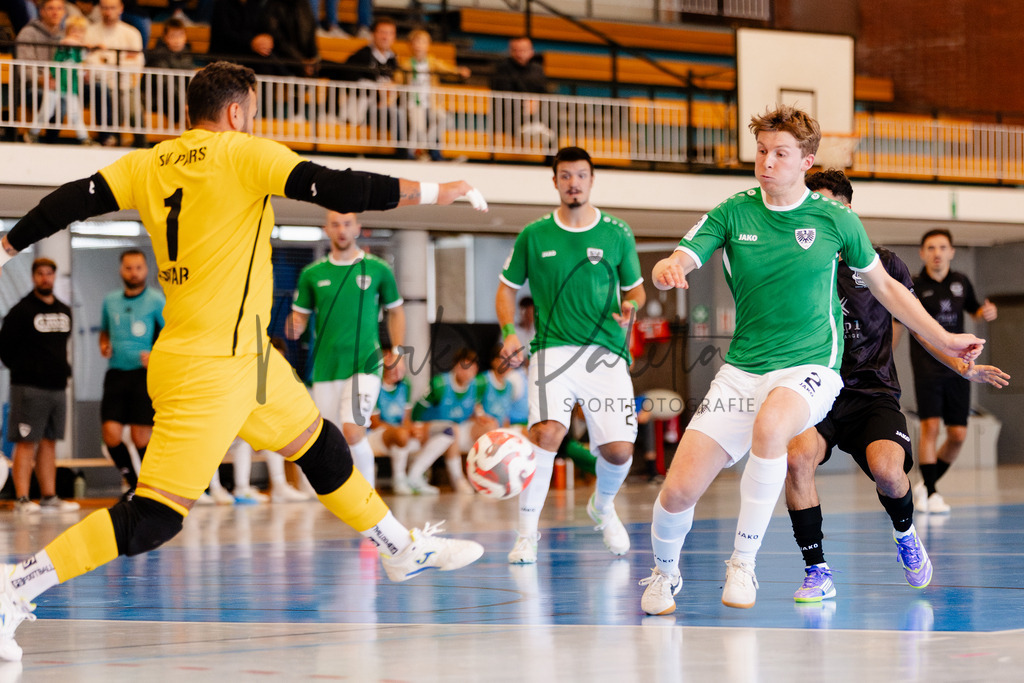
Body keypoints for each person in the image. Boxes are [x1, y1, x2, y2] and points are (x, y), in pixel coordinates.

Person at [0, 60, 488, 663]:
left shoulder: (148, 164)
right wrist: (441, 190)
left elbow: (71, 200)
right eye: (252, 111)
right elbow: (341, 188)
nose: (253, 121)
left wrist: (8, 244)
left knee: (321, 445)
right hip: (209, 369)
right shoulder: (242, 153)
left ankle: (399, 548)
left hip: (246, 359)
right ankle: (15, 587)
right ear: (236, 112)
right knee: (154, 517)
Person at [639, 105, 985, 616]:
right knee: (678, 491)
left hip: (811, 367)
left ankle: (744, 561)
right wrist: (670, 267)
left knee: (780, 432)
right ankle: (664, 573)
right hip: (742, 371)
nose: (767, 162)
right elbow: (684, 255)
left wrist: (945, 338)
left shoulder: (835, 219)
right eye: (761, 151)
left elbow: (889, 289)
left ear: (806, 160)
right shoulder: (733, 211)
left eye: (780, 153)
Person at [785, 170, 1010, 604]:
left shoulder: (883, 264)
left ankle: (906, 533)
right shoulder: (798, 264)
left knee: (889, 473)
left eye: (831, 208)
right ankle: (816, 570)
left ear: (849, 211)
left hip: (873, 394)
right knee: (797, 459)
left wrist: (959, 366)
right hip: (818, 392)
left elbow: (917, 324)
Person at [496, 146, 646, 564]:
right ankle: (526, 535)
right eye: (565, 176)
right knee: (547, 434)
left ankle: (603, 506)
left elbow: (636, 289)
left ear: (591, 180)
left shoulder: (618, 232)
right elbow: (506, 289)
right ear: (555, 181)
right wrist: (508, 332)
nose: (573, 183)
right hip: (552, 351)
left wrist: (632, 306)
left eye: (581, 175)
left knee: (619, 451)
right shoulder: (534, 234)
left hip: (606, 353)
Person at [286, 211, 405, 490]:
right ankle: (343, 498)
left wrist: (398, 351)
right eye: (336, 224)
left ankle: (369, 501)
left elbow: (396, 311)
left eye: (347, 224)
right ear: (326, 229)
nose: (342, 230)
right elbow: (298, 318)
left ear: (357, 228)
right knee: (334, 441)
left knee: (353, 430)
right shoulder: (312, 274)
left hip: (365, 362)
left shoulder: (377, 269)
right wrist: (294, 325)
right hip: (326, 368)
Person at [907, 228, 998, 514]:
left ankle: (926, 485)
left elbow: (974, 310)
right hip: (927, 365)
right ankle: (932, 492)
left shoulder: (961, 281)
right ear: (922, 253)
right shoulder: (914, 284)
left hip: (960, 367)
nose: (937, 253)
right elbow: (902, 322)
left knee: (957, 435)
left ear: (952, 252)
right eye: (931, 248)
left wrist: (985, 313)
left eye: (943, 247)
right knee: (931, 427)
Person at [0, 258, 79, 515]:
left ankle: (49, 496)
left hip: (57, 387)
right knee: (26, 442)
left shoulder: (64, 310)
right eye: (40, 274)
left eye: (49, 273)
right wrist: (26, 369)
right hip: (29, 388)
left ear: (54, 276)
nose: (45, 278)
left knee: (49, 442)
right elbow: (5, 348)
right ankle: (22, 498)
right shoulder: (21, 310)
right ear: (33, 277)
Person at [99, 249, 165, 500]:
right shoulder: (110, 301)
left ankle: (152, 491)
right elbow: (104, 332)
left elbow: (172, 334)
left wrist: (156, 354)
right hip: (116, 373)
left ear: (146, 270)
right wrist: (104, 345)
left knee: (140, 437)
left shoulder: (156, 301)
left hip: (143, 375)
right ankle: (136, 485)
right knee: (111, 434)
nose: (134, 273)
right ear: (121, 270)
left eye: (138, 267)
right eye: (129, 268)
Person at [368, 361, 454, 495]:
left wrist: (414, 429)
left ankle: (415, 475)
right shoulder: (374, 383)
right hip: (376, 435)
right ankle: (399, 479)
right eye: (394, 367)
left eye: (400, 368)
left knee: (447, 431)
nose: (398, 371)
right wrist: (403, 430)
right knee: (402, 434)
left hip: (401, 431)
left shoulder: (405, 384)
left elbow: (406, 419)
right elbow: (374, 423)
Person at [410, 347, 486, 494]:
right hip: (432, 426)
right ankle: (457, 478)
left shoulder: (476, 385)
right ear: (455, 366)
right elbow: (419, 408)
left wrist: (481, 415)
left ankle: (485, 477)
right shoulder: (439, 384)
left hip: (456, 427)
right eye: (464, 367)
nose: (467, 372)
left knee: (489, 426)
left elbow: (476, 406)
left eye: (471, 368)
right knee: (453, 429)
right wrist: (417, 426)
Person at [399, 28, 470, 161]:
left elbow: (446, 69)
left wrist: (459, 71)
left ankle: (429, 150)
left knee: (444, 119)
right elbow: (397, 80)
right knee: (417, 129)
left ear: (428, 45)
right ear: (411, 45)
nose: (419, 45)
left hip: (432, 102)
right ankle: (412, 155)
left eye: (423, 42)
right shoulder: (406, 64)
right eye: (416, 42)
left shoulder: (432, 62)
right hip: (414, 102)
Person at [26, 14, 94, 146]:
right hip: (55, 84)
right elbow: (68, 42)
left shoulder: (80, 51)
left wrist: (86, 71)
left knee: (75, 113)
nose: (77, 34)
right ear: (68, 31)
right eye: (74, 30)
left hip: (71, 86)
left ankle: (84, 138)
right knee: (46, 111)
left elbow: (83, 62)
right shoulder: (64, 43)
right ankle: (32, 133)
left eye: (81, 31)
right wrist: (85, 45)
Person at [84, 0, 145, 147]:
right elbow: (89, 62)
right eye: (105, 8)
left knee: (134, 111)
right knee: (111, 105)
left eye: (112, 8)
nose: (108, 12)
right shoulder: (90, 31)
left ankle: (142, 145)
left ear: (120, 8)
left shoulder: (131, 33)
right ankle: (111, 142)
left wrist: (106, 59)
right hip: (101, 86)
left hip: (127, 84)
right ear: (99, 9)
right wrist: (122, 59)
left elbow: (138, 63)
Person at [490, 35, 552, 145]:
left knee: (552, 114)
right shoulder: (502, 68)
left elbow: (544, 92)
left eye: (523, 50)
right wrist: (525, 102)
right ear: (510, 51)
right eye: (515, 50)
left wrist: (536, 101)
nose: (519, 54)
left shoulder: (537, 69)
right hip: (510, 114)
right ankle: (528, 130)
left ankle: (540, 131)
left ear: (531, 51)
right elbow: (503, 93)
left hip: (536, 112)